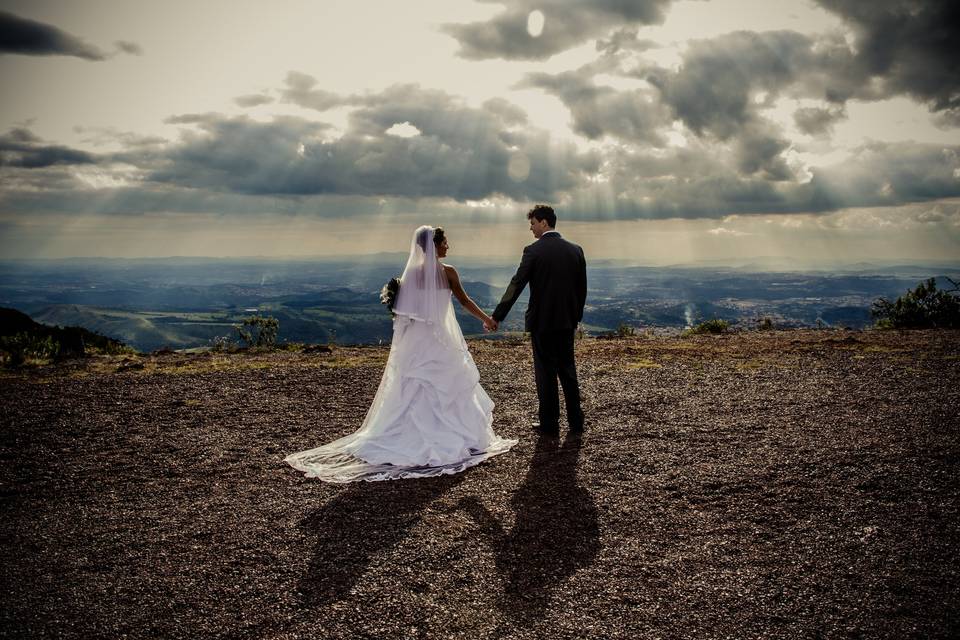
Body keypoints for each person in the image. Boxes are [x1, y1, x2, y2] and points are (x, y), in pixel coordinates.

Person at [285, 225, 517, 482]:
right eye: (445, 242)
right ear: (434, 245)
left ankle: (406, 434)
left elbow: (404, 315)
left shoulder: (411, 275)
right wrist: (488, 319)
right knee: (444, 385)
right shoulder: (448, 272)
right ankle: (447, 434)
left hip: (418, 340)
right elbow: (464, 301)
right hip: (441, 339)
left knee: (412, 386)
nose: (448, 246)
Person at [489, 205, 587, 437]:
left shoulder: (533, 251)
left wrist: (497, 316)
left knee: (545, 373)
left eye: (532, 223)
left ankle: (550, 424)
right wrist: (575, 317)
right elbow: (581, 289)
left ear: (543, 223)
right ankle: (576, 421)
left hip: (542, 323)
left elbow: (516, 284)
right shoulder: (576, 250)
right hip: (566, 322)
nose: (531, 228)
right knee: (568, 370)